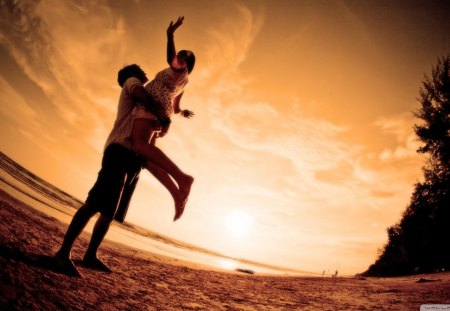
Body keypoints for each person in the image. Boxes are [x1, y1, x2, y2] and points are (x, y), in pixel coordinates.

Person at [54, 64, 169, 277]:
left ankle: (90, 255)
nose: (145, 72)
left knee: (110, 211)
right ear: (132, 73)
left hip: (133, 157)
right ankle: (63, 253)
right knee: (94, 202)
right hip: (119, 150)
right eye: (140, 69)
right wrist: (162, 114)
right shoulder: (131, 82)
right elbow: (141, 94)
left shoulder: (142, 106)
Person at [130, 16, 195, 221]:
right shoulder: (182, 81)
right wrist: (182, 112)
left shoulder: (179, 69)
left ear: (188, 62)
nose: (180, 54)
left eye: (184, 54)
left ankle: (182, 179)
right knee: (148, 160)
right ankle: (177, 195)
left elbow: (170, 59)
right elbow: (175, 107)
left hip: (153, 104)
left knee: (138, 144)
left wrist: (170, 34)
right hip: (162, 108)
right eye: (180, 53)